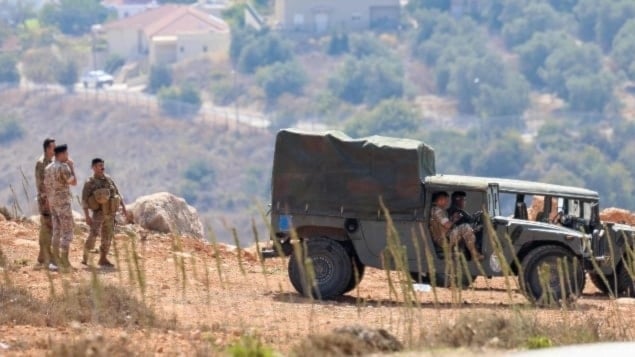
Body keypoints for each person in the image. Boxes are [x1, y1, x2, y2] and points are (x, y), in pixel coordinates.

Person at [81, 158, 126, 268]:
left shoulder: (108, 179)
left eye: (102, 165)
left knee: (108, 235)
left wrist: (123, 208)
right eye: (99, 165)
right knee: (93, 234)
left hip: (110, 212)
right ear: (93, 168)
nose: (102, 167)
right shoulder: (89, 182)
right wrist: (87, 216)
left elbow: (117, 193)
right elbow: (84, 200)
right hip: (98, 213)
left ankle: (103, 258)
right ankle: (85, 257)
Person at [44, 144, 77, 271]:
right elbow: (73, 182)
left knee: (56, 231)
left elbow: (46, 186)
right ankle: (64, 261)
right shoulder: (63, 167)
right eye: (66, 154)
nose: (68, 156)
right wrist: (72, 167)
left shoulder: (48, 168)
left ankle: (54, 261)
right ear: (61, 154)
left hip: (53, 203)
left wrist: (48, 200)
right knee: (67, 231)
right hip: (63, 203)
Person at [429, 191, 484, 261]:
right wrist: (454, 220)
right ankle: (475, 254)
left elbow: (444, 225)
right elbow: (447, 225)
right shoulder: (437, 211)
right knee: (465, 227)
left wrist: (453, 220)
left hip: (443, 237)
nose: (446, 203)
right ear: (440, 200)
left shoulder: (435, 210)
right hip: (444, 240)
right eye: (446, 200)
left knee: (468, 229)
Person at [35, 137, 58, 271]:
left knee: (48, 226)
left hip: (52, 199)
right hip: (45, 200)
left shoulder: (52, 162)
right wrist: (48, 200)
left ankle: (42, 255)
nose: (55, 150)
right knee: (48, 226)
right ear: (47, 149)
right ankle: (48, 257)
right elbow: (41, 184)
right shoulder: (41, 163)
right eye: (53, 148)